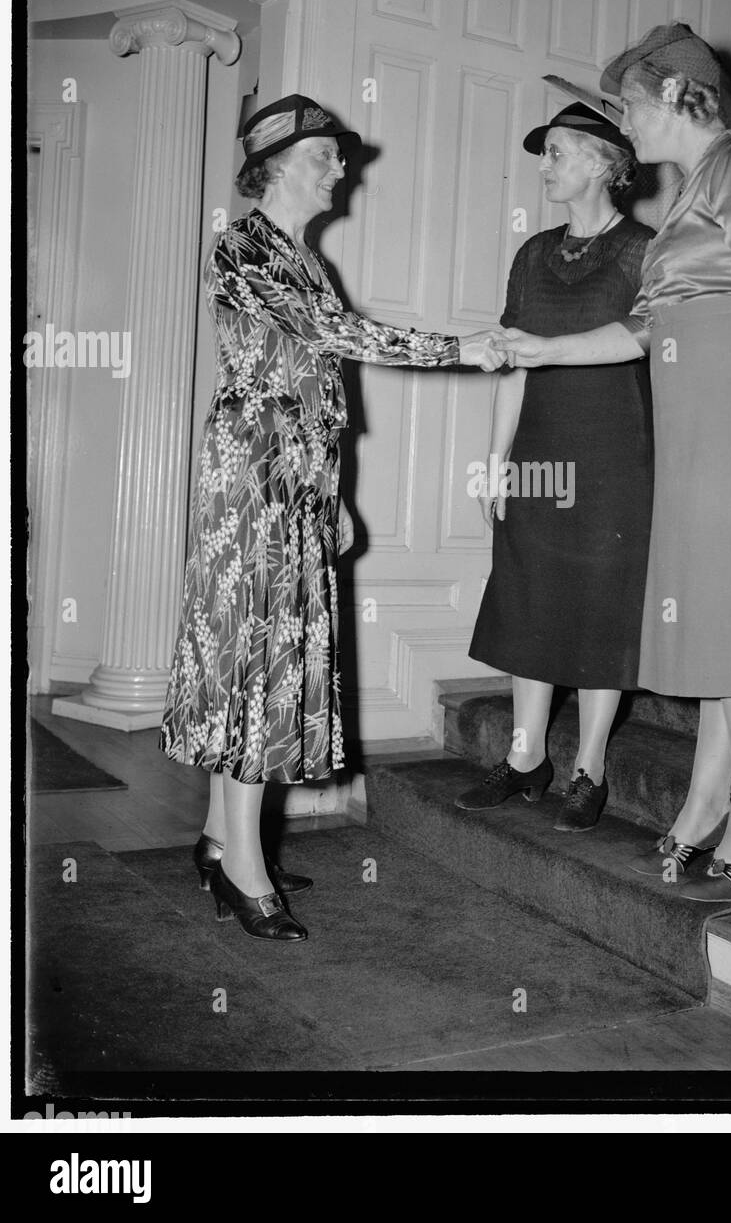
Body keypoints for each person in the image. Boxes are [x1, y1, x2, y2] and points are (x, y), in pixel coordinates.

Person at [161, 94, 501, 941]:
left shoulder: (301, 256)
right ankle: (244, 868)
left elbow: (314, 381)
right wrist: (461, 349)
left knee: (264, 650)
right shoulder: (244, 245)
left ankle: (219, 839)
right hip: (255, 472)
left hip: (295, 473)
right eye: (324, 156)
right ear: (275, 165)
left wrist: (336, 490)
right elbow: (332, 336)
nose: (340, 169)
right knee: (259, 658)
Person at [499, 24, 731, 900]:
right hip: (695, 406)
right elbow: (642, 328)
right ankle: (716, 802)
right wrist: (534, 348)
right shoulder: (685, 195)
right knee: (720, 620)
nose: (626, 126)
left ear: (682, 97)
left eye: (632, 106)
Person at [457, 96, 654, 831]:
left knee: (606, 607)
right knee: (529, 595)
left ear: (606, 162)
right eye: (545, 153)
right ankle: (526, 757)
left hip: (617, 454)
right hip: (539, 449)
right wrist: (495, 458)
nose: (545, 165)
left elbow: (645, 337)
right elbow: (511, 359)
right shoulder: (532, 254)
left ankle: (589, 768)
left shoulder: (644, 248)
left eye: (560, 151)